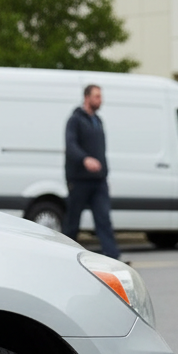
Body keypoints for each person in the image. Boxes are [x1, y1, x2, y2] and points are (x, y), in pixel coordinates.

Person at [63, 84, 121, 260]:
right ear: (86, 97)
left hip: (98, 180)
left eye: (100, 96)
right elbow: (71, 145)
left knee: (104, 220)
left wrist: (105, 173)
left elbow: (100, 150)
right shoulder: (75, 120)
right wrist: (85, 159)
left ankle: (112, 257)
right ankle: (63, 255)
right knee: (73, 221)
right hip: (79, 180)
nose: (100, 100)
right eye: (96, 96)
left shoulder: (98, 120)